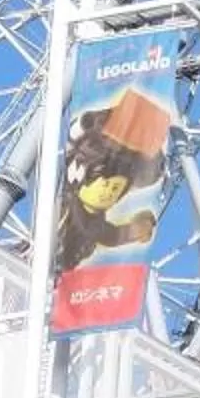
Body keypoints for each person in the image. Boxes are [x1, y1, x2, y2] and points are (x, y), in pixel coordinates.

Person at [54, 84, 170, 274]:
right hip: (46, 265)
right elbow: (104, 233)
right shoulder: (66, 205)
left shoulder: (92, 222)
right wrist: (132, 231)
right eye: (105, 183)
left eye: (115, 189)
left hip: (61, 275)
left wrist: (133, 231)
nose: (107, 192)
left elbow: (108, 234)